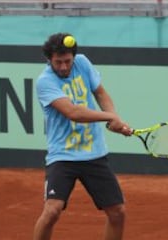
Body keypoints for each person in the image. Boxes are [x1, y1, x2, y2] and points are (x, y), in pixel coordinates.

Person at [33, 32, 133, 240]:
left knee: (118, 212)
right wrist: (110, 117)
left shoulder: (82, 63)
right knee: (52, 211)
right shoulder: (45, 82)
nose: (63, 67)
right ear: (49, 59)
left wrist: (114, 118)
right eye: (57, 62)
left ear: (73, 57)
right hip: (63, 156)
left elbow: (100, 93)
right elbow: (73, 113)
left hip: (94, 153)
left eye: (67, 61)